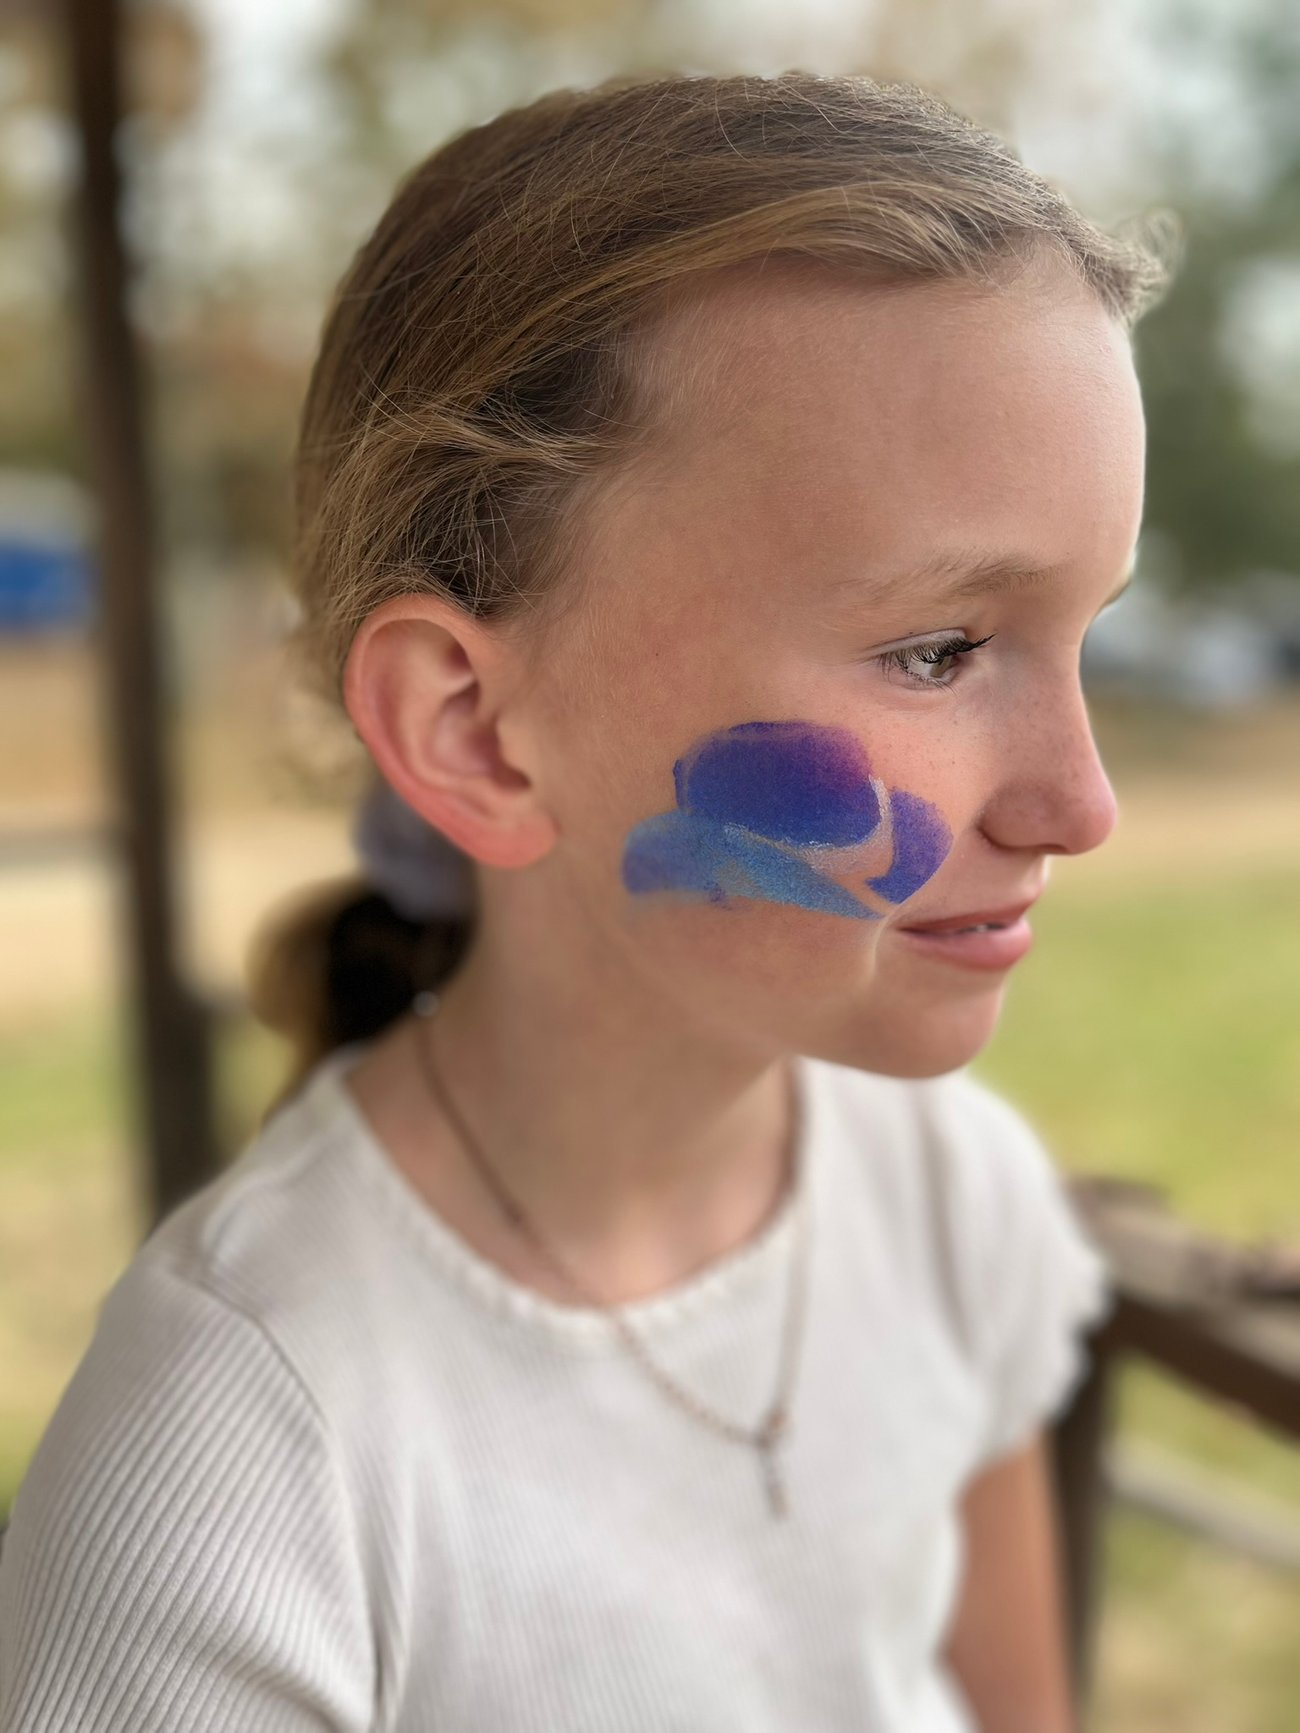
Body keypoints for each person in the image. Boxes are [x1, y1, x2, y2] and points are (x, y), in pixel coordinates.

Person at [0, 70, 1173, 1732]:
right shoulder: (241, 1460)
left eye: (1084, 632)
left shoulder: (948, 1195)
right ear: (476, 731)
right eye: (939, 650)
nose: (1083, 802)